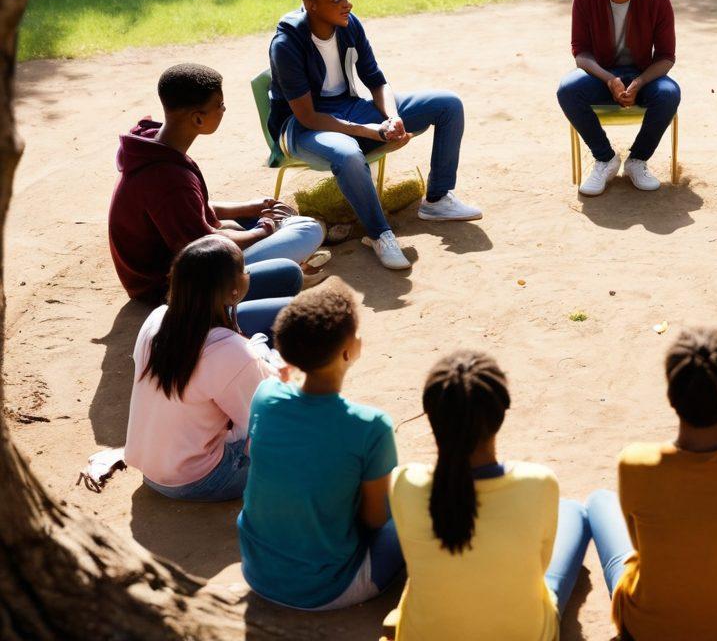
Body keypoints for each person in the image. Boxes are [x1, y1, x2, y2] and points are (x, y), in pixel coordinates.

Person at [268, 0, 481, 271]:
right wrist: (372, 132)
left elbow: (376, 80)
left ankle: (437, 200)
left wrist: (392, 118)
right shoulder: (286, 45)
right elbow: (309, 116)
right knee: (348, 153)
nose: (347, 5)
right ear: (311, 4)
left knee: (448, 104)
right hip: (301, 127)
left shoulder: (348, 24)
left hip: (350, 109)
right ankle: (379, 234)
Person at [586, 327, 717, 641]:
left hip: (652, 630)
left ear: (670, 395)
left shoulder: (636, 463)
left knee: (599, 501)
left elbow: (640, 547)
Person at [387, 351, 591, 640]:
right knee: (573, 512)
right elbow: (539, 566)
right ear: (502, 412)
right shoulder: (538, 482)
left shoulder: (404, 482)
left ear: (430, 414)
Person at [108, 63, 325, 335]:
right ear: (198, 119)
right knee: (307, 232)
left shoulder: (155, 144)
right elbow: (204, 246)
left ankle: (273, 247)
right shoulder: (167, 179)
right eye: (219, 105)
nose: (224, 110)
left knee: (263, 221)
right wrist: (263, 229)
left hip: (180, 258)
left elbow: (192, 208)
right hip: (173, 285)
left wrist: (251, 207)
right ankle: (277, 263)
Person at [238, 279, 404, 610]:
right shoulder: (370, 426)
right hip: (329, 587)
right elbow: (374, 519)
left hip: (257, 572)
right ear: (348, 351)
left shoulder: (266, 395)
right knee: (419, 503)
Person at [125, 235, 288, 501]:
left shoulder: (157, 320)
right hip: (198, 479)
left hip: (152, 470)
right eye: (244, 270)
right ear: (234, 291)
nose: (248, 274)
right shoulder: (230, 352)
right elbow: (267, 421)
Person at [557, 0, 680, 196]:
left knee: (669, 94)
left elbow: (665, 56)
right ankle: (605, 158)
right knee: (567, 90)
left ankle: (638, 160)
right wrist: (610, 79)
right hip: (602, 74)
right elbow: (581, 52)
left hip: (642, 74)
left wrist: (639, 81)